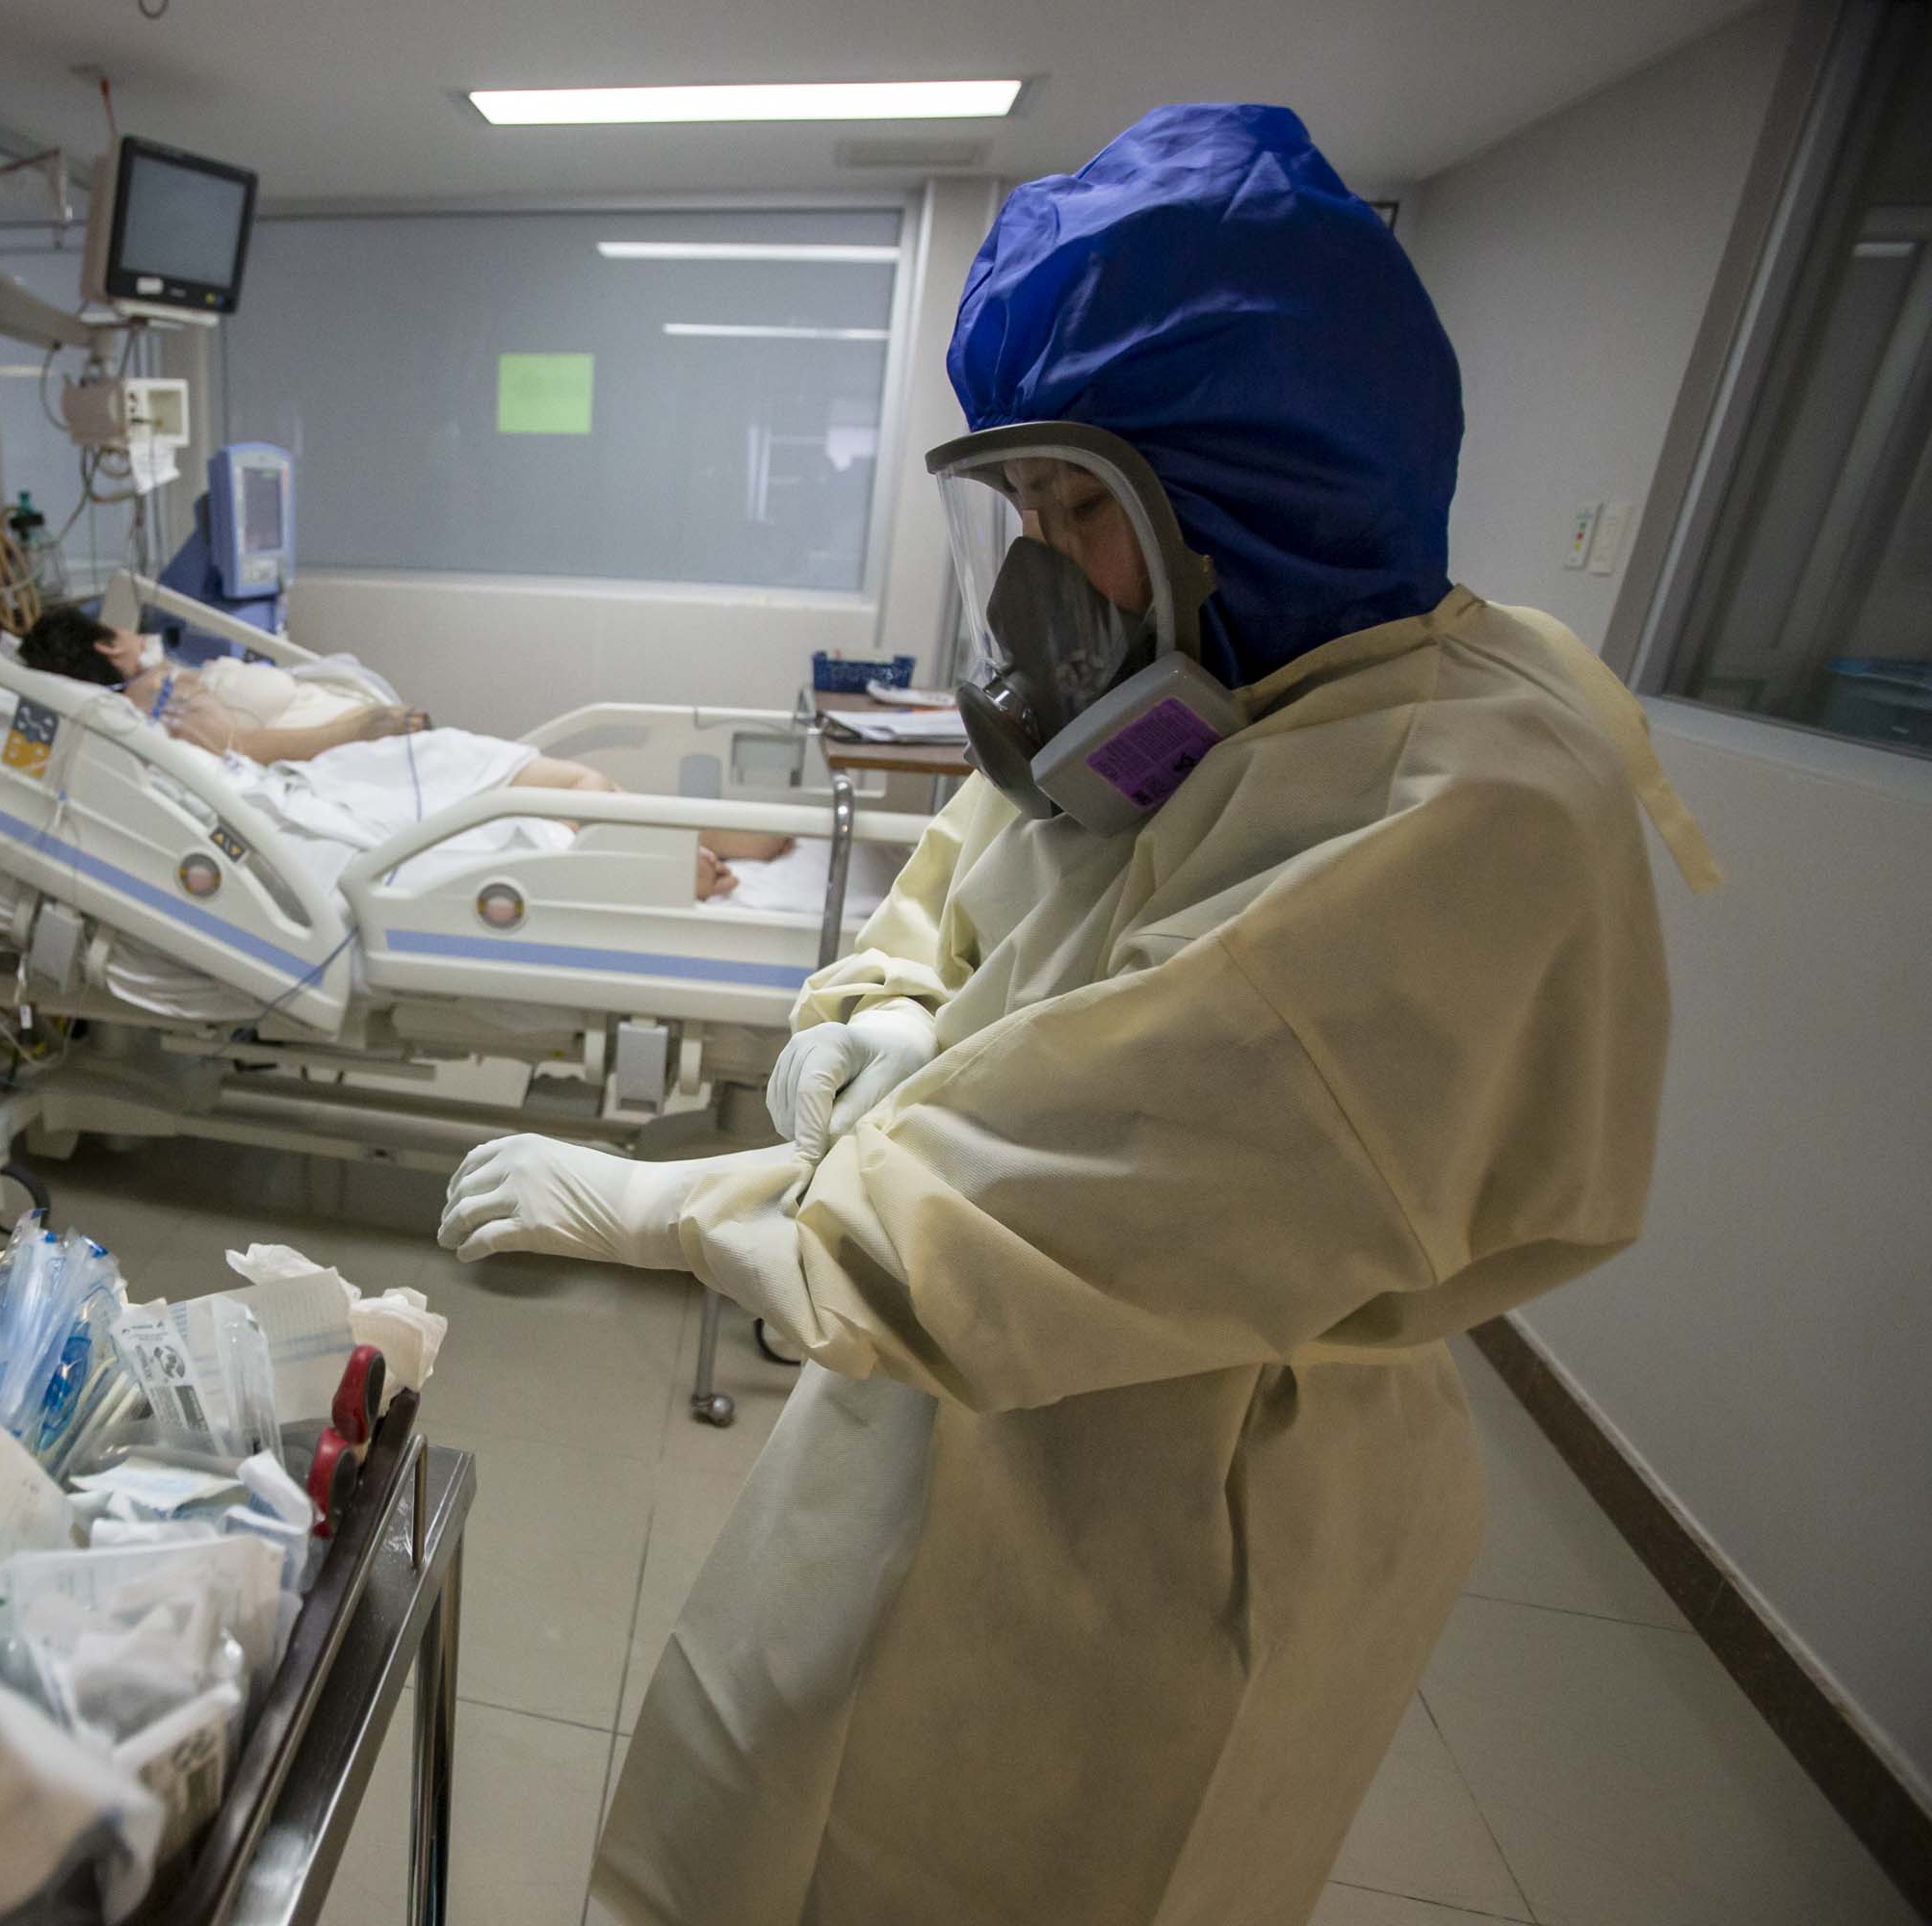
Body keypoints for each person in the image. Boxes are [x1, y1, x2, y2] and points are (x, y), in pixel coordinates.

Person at [435, 102, 1719, 1925]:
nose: (1034, 567)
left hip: (1176, 1516)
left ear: (1242, 487)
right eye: (1017, 510)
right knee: (753, 1808)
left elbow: (1021, 1209)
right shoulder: (1196, 688)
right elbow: (950, 889)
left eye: (1074, 510)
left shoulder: (1462, 809)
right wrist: (862, 1024)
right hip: (934, 1404)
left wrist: (670, 1207)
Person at [12, 601, 793, 896]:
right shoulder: (167, 701)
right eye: (117, 631)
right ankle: (662, 863)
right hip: (336, 769)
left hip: (352, 759)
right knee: (565, 795)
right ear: (108, 646)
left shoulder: (177, 684)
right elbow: (249, 751)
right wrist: (364, 727)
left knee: (575, 786)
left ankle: (673, 851)